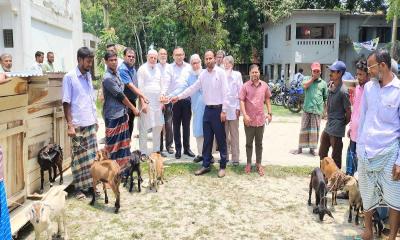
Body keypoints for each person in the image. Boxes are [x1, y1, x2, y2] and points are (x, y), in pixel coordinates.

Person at [357, 50, 400, 240]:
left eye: (371, 67)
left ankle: (391, 236)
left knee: (394, 197)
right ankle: (368, 231)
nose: (369, 71)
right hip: (367, 151)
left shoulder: (399, 91)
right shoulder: (368, 88)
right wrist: (360, 148)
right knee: (367, 192)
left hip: (390, 151)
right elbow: (364, 118)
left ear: (383, 65)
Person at [171, 50, 229, 178]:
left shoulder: (220, 73)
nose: (208, 60)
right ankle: (206, 164)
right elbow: (192, 88)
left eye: (210, 58)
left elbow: (226, 93)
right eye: (206, 58)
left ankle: (223, 166)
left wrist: (224, 111)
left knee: (221, 139)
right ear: (205, 60)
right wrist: (178, 97)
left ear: (214, 58)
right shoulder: (203, 75)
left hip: (218, 110)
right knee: (207, 139)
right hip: (207, 111)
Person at [62, 47, 98, 199]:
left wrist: (95, 119)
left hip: (90, 122)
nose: (90, 64)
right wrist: (70, 125)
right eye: (88, 61)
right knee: (78, 158)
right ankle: (78, 188)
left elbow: (90, 99)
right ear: (79, 60)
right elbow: (66, 102)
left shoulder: (88, 76)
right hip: (77, 124)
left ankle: (91, 186)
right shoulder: (69, 77)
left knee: (91, 157)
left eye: (91, 61)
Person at [102, 51, 140, 167]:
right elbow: (121, 96)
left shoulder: (117, 73)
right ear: (106, 62)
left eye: (115, 60)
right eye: (111, 60)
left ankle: (122, 170)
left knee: (123, 144)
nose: (114, 62)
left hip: (122, 113)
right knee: (113, 145)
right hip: (113, 115)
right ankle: (111, 171)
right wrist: (133, 108)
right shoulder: (107, 78)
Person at [240, 64, 272, 176]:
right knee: (249, 143)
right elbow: (242, 101)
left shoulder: (264, 86)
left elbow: (267, 98)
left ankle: (258, 164)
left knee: (259, 143)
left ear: (259, 73)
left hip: (260, 120)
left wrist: (270, 112)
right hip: (248, 120)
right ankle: (248, 163)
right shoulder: (245, 86)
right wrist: (244, 115)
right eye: (253, 72)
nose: (255, 74)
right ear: (249, 73)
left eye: (256, 72)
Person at [318, 60, 351, 169]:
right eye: (330, 71)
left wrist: (341, 123)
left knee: (336, 157)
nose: (330, 73)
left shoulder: (343, 91)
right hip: (329, 125)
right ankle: (323, 176)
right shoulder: (331, 87)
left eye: (333, 71)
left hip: (336, 128)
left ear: (340, 73)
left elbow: (348, 112)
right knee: (322, 153)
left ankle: (335, 182)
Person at [291, 62, 327, 156]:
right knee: (304, 128)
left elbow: (325, 98)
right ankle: (300, 148)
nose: (316, 72)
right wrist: (312, 79)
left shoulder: (323, 83)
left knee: (314, 130)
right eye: (314, 71)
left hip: (317, 110)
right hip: (307, 109)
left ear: (320, 72)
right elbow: (304, 86)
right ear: (311, 71)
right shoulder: (307, 78)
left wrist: (325, 112)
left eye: (317, 71)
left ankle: (312, 149)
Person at [138, 50, 168, 156]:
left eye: (155, 58)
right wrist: (143, 103)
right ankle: (143, 152)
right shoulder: (142, 69)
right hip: (146, 102)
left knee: (158, 126)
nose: (153, 59)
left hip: (158, 103)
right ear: (147, 57)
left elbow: (163, 85)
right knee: (144, 127)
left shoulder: (159, 69)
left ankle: (156, 150)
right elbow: (140, 88)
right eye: (151, 57)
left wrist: (163, 100)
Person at [168, 47, 194, 159]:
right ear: (173, 56)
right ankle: (178, 149)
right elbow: (167, 83)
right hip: (174, 101)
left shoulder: (189, 67)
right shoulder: (169, 68)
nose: (179, 57)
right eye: (176, 55)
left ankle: (187, 149)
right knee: (176, 126)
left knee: (186, 125)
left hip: (187, 100)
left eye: (181, 54)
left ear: (184, 55)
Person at [345, 59, 369, 176]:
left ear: (368, 74)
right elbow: (355, 110)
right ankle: (348, 190)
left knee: (359, 167)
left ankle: (357, 191)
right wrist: (350, 126)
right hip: (354, 132)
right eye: (357, 74)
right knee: (350, 162)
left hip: (363, 135)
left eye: (361, 74)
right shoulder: (358, 89)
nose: (358, 77)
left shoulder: (370, 90)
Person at [118, 47, 147, 139]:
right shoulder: (123, 69)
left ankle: (127, 149)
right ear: (124, 57)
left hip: (132, 101)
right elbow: (131, 86)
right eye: (129, 56)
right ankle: (124, 150)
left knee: (130, 125)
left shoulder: (133, 69)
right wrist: (143, 95)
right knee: (125, 127)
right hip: (125, 102)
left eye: (133, 57)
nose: (131, 58)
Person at [223, 55, 243, 166]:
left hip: (234, 108)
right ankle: (225, 156)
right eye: (225, 63)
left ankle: (235, 157)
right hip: (224, 109)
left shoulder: (237, 75)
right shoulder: (221, 74)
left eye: (228, 63)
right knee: (224, 135)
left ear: (232, 64)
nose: (226, 65)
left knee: (234, 134)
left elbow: (240, 92)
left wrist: (239, 108)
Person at [157, 48, 174, 156]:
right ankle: (159, 147)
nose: (163, 56)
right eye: (161, 54)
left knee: (168, 124)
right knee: (159, 124)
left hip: (168, 100)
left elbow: (172, 83)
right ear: (158, 56)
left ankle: (169, 146)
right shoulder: (155, 67)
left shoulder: (170, 67)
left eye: (165, 54)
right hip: (157, 101)